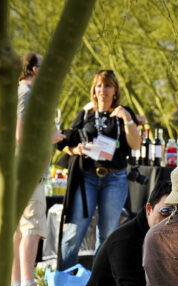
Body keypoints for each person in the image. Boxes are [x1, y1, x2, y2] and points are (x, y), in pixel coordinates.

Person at [57, 69, 141, 269]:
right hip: (87, 178)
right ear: (94, 90)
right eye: (99, 85)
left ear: (115, 91)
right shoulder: (86, 113)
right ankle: (63, 279)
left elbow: (136, 144)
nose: (103, 90)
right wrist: (75, 149)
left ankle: (98, 284)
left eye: (108, 85)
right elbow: (66, 141)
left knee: (107, 233)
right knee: (74, 231)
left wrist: (128, 119)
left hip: (115, 178)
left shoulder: (124, 113)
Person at [71, 181, 171, 286]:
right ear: (149, 209)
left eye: (177, 214)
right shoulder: (125, 240)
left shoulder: (164, 237)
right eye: (164, 212)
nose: (169, 221)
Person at [7, 52, 62, 286]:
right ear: (36, 70)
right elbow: (20, 133)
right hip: (27, 170)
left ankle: (15, 284)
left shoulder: (15, 92)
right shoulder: (27, 94)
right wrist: (50, 135)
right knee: (32, 227)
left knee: (19, 229)